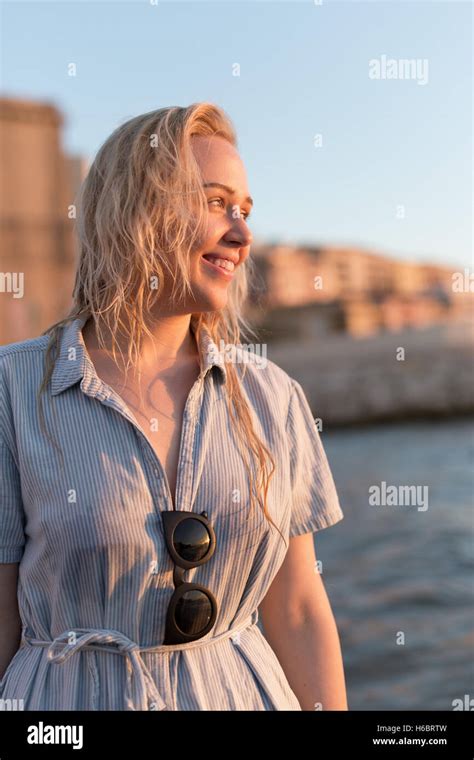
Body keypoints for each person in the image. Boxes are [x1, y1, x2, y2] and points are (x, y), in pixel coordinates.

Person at [0, 102, 347, 711]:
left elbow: (296, 610)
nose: (241, 234)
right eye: (215, 203)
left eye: (244, 211)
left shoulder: (273, 397)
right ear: (134, 210)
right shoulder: (13, 390)